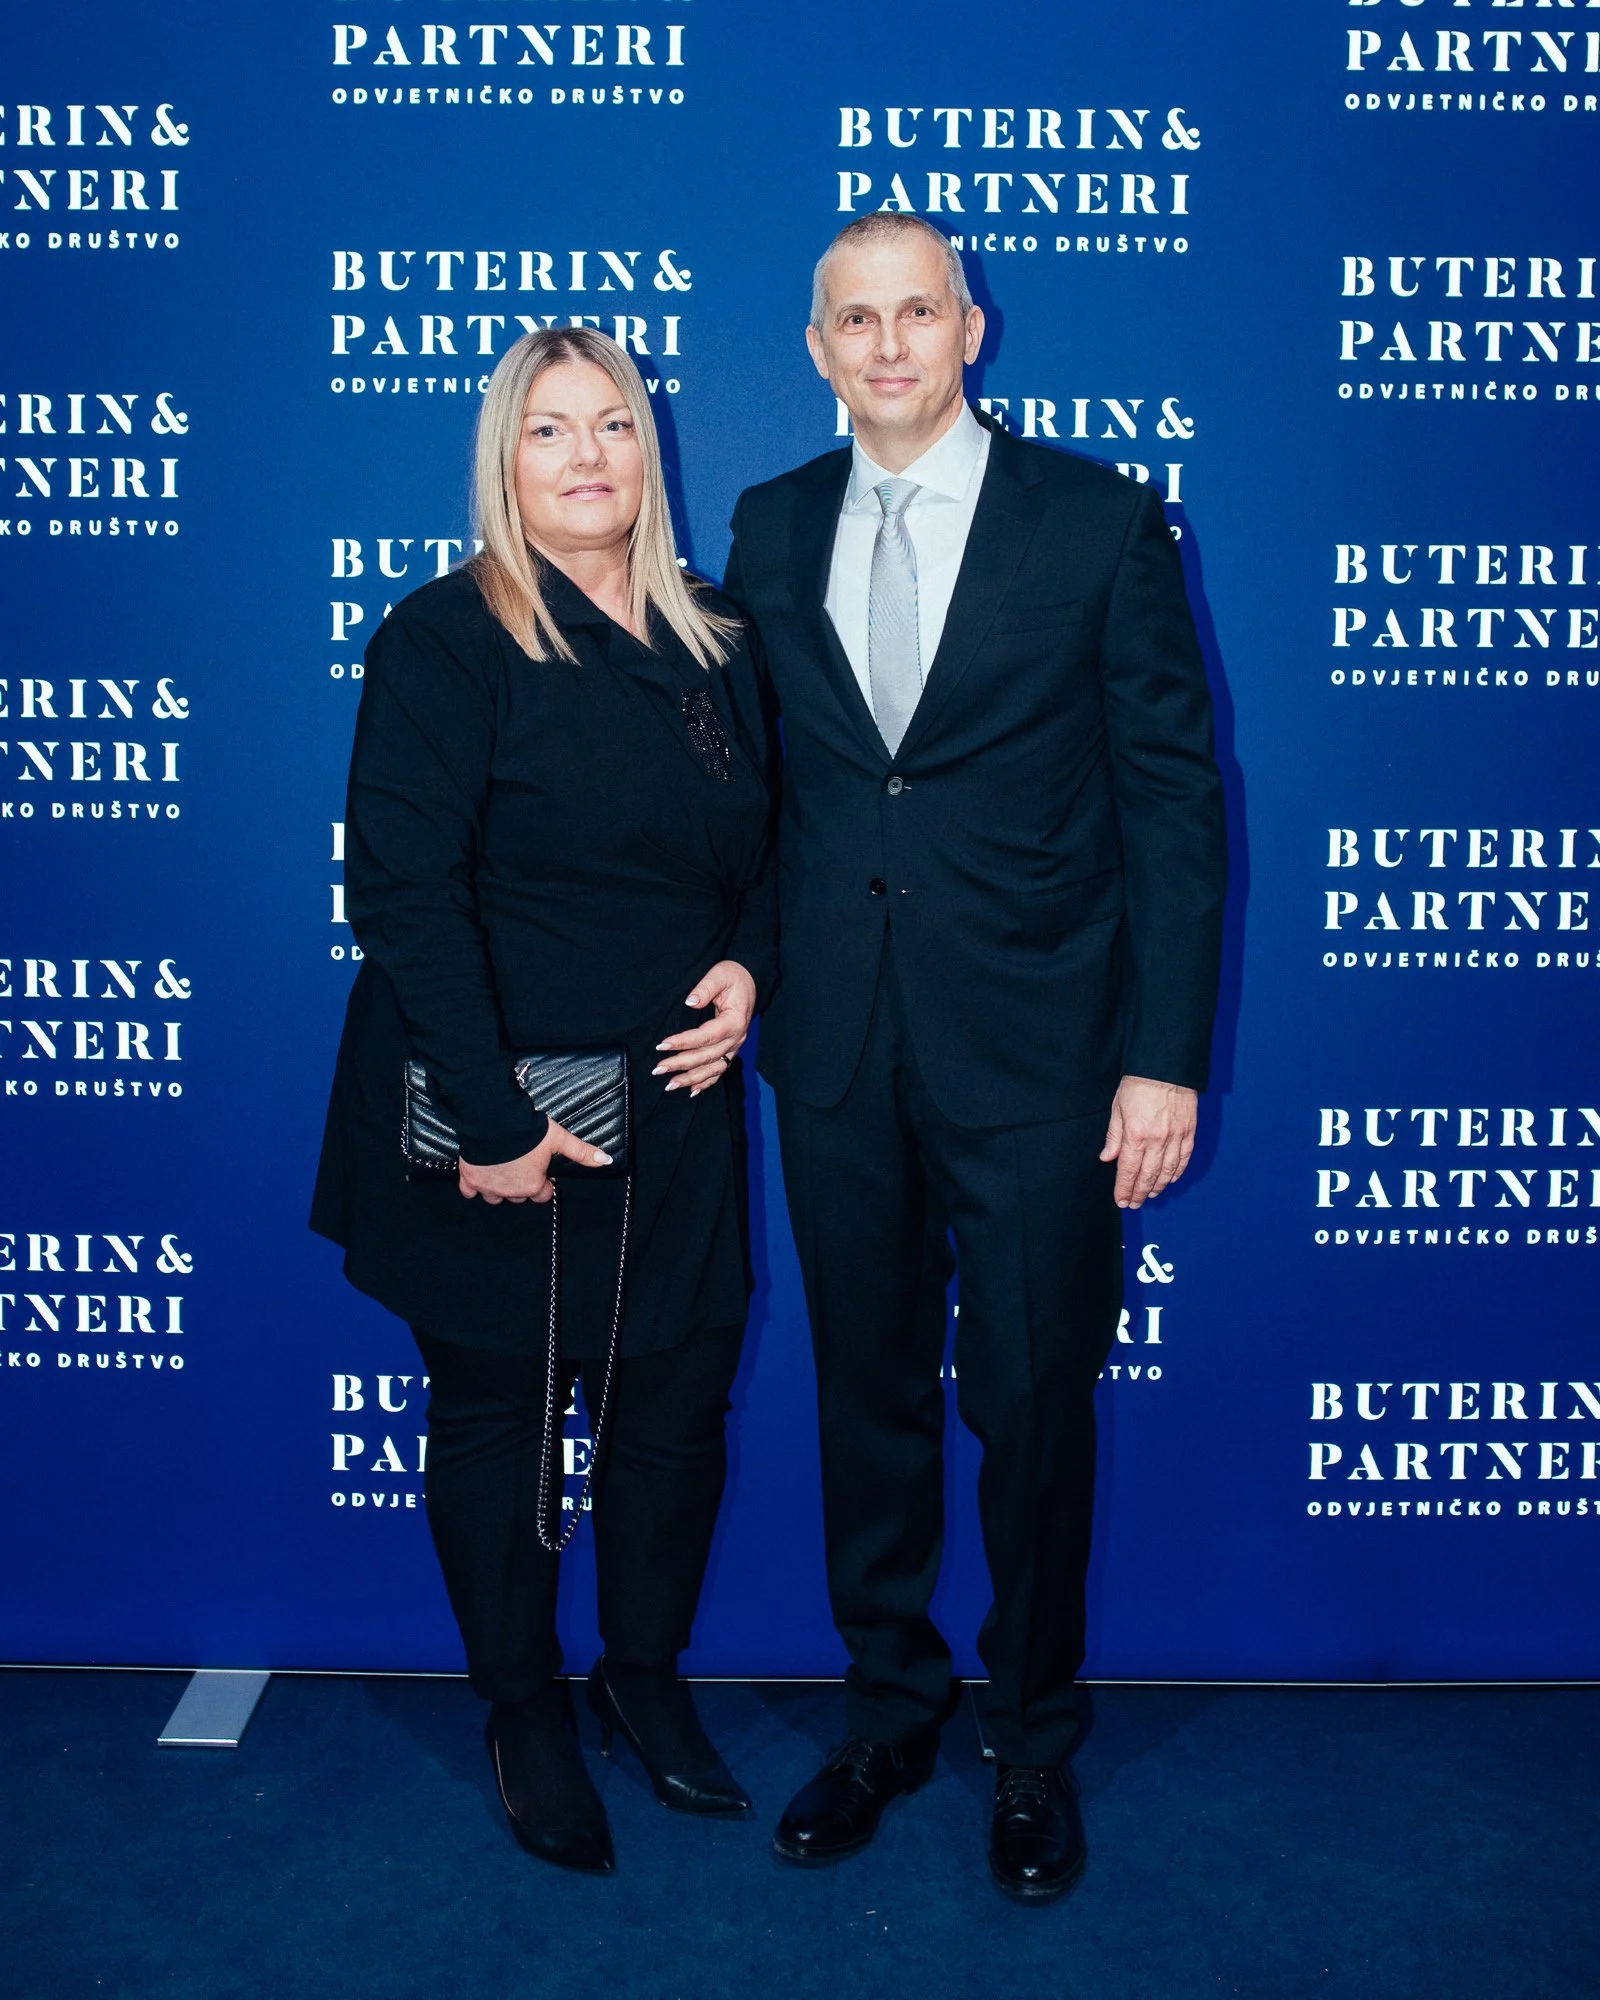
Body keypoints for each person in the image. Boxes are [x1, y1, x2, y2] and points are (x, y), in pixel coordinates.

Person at [723, 214, 1227, 1902]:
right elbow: (769, 791)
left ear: (971, 328)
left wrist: (1163, 1058)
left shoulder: (1097, 520)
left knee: (1030, 1403)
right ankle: (886, 1711)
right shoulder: (770, 524)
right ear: (816, 347)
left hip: (1042, 1053)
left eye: (916, 312)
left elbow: (1174, 802)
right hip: (838, 1049)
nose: (887, 345)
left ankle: (1031, 1739)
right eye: (854, 319)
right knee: (866, 1400)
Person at [311, 327, 775, 1875]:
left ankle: (643, 1679)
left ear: (653, 451)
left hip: (677, 1102)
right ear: (503, 461)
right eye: (550, 430)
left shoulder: (719, 632)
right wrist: (493, 1119)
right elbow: (404, 892)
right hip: (501, 1101)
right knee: (502, 1421)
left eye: (615, 426)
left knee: (674, 1415)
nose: (588, 457)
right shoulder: (445, 636)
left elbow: (778, 850)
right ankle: (521, 1708)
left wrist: (754, 966)